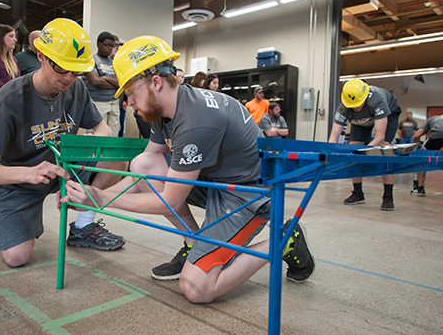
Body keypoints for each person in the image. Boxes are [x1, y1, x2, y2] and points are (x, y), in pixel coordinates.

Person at [60, 35, 314, 303]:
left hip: (248, 195)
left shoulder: (195, 121)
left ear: (155, 82)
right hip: (213, 180)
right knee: (144, 163)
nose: (129, 102)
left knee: (197, 288)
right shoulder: (165, 109)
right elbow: (142, 174)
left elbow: (170, 201)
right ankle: (194, 242)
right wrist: (93, 196)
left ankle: (285, 239)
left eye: (130, 93)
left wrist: (102, 199)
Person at [0, 18, 126, 268]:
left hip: (62, 168)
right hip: (19, 181)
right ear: (41, 55)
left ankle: (83, 224)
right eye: (62, 68)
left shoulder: (76, 88)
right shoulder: (8, 100)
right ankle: (16, 217)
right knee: (18, 258)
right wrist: (29, 173)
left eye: (77, 71)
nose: (69, 77)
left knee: (116, 156)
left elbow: (101, 127)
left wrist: (95, 144)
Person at [328, 78, 402, 211]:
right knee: (353, 146)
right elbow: (333, 137)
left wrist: (363, 154)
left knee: (385, 148)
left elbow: (379, 137)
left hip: (389, 113)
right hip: (362, 120)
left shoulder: (377, 100)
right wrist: (329, 154)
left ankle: (388, 196)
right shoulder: (345, 105)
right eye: (353, 105)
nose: (355, 107)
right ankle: (358, 193)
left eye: (358, 103)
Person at [82, 31, 120, 138]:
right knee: (97, 137)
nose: (110, 48)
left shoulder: (114, 63)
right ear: (99, 44)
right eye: (107, 45)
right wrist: (114, 83)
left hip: (114, 103)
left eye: (112, 46)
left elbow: (121, 83)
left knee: (113, 137)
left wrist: (105, 78)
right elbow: (96, 82)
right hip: (98, 103)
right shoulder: (91, 60)